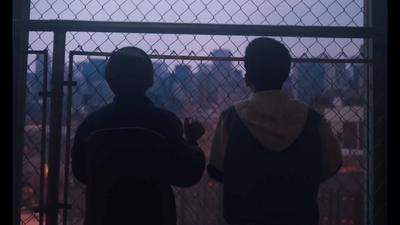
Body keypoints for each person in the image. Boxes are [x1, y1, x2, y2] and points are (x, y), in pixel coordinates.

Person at [207, 38, 343, 225]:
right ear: (286, 76)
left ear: (247, 78)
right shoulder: (312, 119)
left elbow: (217, 170)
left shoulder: (230, 118)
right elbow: (332, 164)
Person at [71, 46, 206, 225]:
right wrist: (192, 141)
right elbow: (186, 174)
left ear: (110, 81)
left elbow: (80, 173)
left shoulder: (90, 125)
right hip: (154, 217)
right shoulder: (164, 123)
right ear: (150, 80)